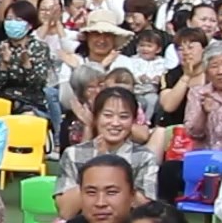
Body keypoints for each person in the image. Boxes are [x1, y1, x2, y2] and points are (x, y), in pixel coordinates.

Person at [55, 87, 157, 216]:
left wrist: (109, 163)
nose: (115, 123)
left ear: (133, 121)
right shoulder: (73, 154)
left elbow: (146, 209)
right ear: (96, 118)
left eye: (124, 117)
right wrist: (98, 164)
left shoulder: (144, 157)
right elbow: (66, 212)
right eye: (108, 115)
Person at [0, 0, 54, 117]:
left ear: (30, 25)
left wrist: (27, 65)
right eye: (9, 19)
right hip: (3, 101)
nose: (12, 23)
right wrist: (4, 64)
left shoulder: (39, 48)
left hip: (31, 103)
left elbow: (39, 84)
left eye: (18, 20)